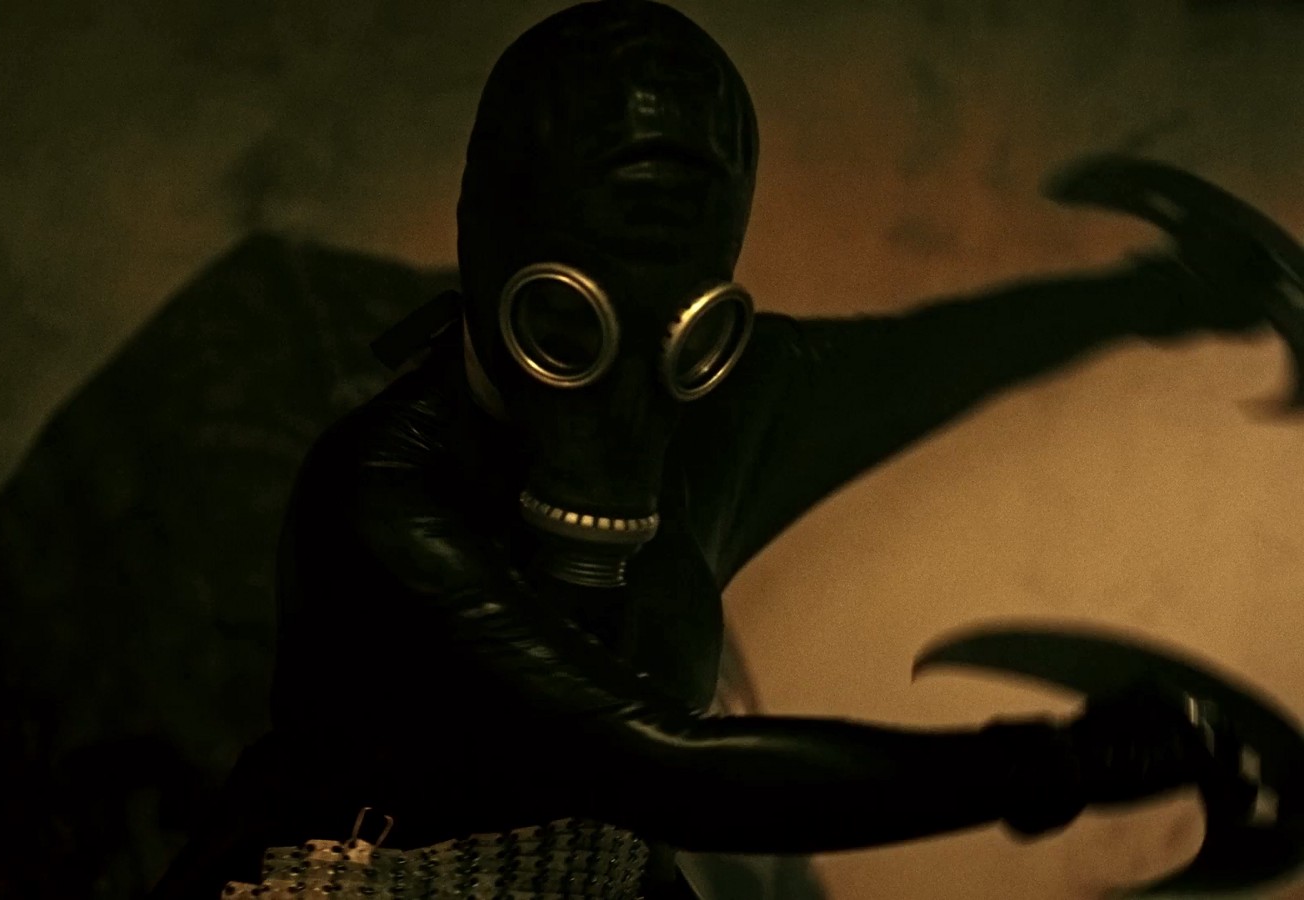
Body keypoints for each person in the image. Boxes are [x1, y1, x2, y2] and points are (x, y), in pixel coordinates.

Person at [148, 2, 1283, 897]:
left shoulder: (721, 405)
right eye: (570, 321)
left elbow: (924, 360)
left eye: (683, 322)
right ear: (490, 248)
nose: (632, 375)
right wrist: (1061, 764)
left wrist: (1166, 294)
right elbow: (666, 770)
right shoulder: (384, 497)